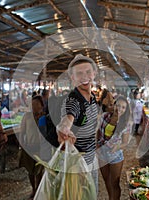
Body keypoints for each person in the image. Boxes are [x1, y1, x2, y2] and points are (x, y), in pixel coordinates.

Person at [56, 54, 99, 187]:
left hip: (91, 157)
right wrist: (64, 128)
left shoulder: (92, 98)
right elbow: (68, 117)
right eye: (79, 73)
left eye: (88, 72)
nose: (84, 77)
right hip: (77, 164)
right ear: (72, 77)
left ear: (94, 73)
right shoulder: (73, 100)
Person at [96, 95, 132, 200]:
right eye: (118, 105)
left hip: (115, 155)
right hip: (102, 154)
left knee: (115, 183)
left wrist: (117, 147)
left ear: (126, 110)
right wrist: (96, 145)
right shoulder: (104, 116)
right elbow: (99, 132)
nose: (120, 109)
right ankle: (111, 197)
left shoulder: (125, 124)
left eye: (123, 107)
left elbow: (125, 143)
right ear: (114, 105)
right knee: (106, 180)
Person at [19, 95, 52, 199]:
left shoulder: (45, 117)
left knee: (39, 170)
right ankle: (33, 188)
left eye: (36, 104)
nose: (34, 106)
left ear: (41, 105)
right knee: (30, 170)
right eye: (32, 104)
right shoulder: (27, 116)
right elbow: (22, 132)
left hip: (41, 148)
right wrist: (22, 145)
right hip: (29, 146)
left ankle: (38, 189)